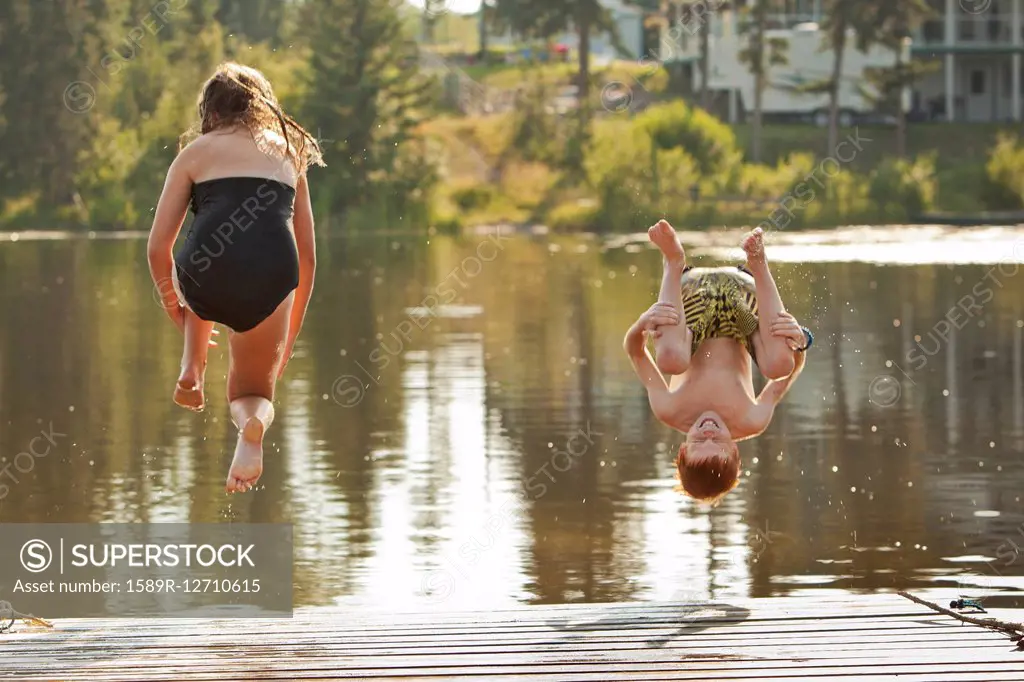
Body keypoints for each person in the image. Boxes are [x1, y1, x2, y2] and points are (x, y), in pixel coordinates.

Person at [147, 62, 324, 493]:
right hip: (273, 273)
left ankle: (192, 363)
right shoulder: (287, 151)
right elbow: (308, 259)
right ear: (263, 105)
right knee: (252, 393)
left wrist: (176, 308)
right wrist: (290, 333)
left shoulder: (194, 153)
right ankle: (250, 426)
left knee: (201, 259)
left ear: (209, 111)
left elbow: (158, 249)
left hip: (204, 275)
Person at [623, 220, 812, 505]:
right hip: (741, 304)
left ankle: (673, 262)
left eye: (699, 441)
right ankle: (758, 262)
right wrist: (801, 340)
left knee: (671, 360)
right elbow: (790, 371)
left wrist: (642, 324)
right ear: (735, 450)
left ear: (683, 450)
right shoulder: (752, 419)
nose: (708, 432)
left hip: (691, 302)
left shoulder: (669, 409)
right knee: (779, 366)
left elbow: (635, 352)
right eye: (717, 441)